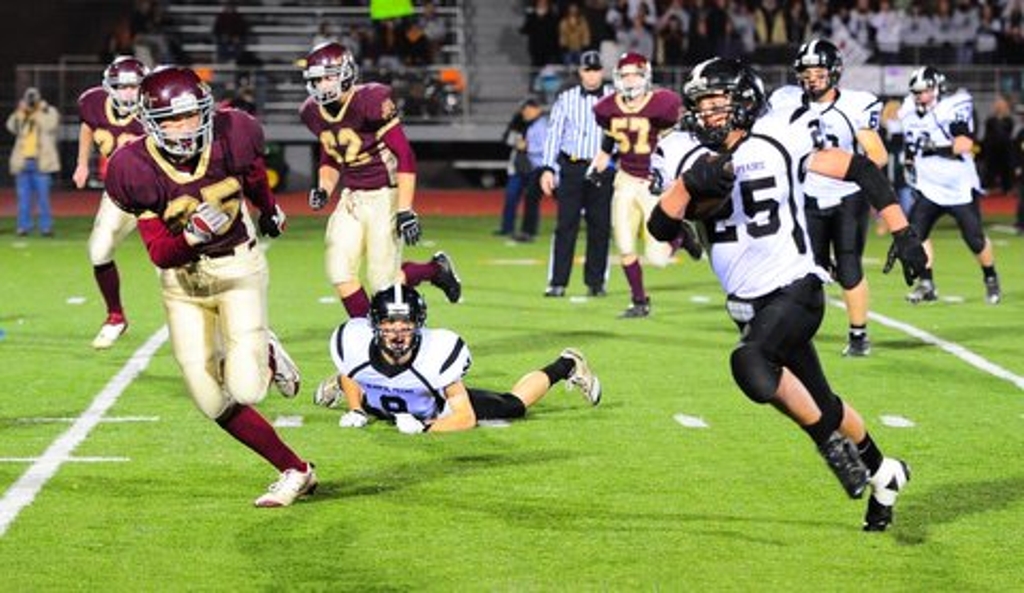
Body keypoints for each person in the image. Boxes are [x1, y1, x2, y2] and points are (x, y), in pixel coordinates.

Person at [647, 57, 925, 531]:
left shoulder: (783, 134)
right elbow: (659, 226)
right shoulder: (681, 150)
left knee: (750, 363)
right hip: (748, 302)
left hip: (797, 286)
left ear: (745, 101)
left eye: (719, 103)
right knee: (824, 403)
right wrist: (688, 185)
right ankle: (884, 473)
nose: (709, 114)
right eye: (702, 106)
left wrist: (902, 230)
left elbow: (858, 166)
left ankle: (828, 446)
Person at [104, 65, 316, 507]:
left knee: (246, 388)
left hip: (238, 268)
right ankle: (295, 470)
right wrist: (192, 236)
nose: (185, 128)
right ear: (149, 122)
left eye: (191, 116)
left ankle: (267, 354)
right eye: (172, 120)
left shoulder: (234, 130)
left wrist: (268, 208)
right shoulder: (131, 166)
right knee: (208, 398)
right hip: (181, 282)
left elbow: (254, 173)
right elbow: (160, 252)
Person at [298, 41, 462, 318]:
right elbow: (331, 151)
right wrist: (325, 187)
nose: (322, 85)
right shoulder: (311, 111)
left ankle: (434, 270)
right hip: (351, 196)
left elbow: (405, 155)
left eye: (328, 77)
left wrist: (405, 209)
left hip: (385, 195)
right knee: (339, 269)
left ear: (347, 72)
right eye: (317, 79)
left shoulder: (371, 101)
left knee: (382, 282)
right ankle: (365, 331)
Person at [312, 284, 601, 432]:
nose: (398, 335)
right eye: (389, 326)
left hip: (432, 406)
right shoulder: (354, 344)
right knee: (366, 393)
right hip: (383, 401)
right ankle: (352, 395)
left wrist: (427, 428)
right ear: (375, 326)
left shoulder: (436, 353)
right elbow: (351, 369)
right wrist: (356, 409)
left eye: (406, 326)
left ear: (419, 325)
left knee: (513, 406)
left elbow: (465, 416)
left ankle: (567, 364)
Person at [769, 39, 886, 357]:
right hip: (805, 196)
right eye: (806, 72)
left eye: (819, 71)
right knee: (809, 270)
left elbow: (877, 155)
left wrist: (849, 171)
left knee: (849, 265)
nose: (812, 78)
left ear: (834, 72)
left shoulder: (855, 105)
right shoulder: (785, 101)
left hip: (847, 196)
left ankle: (858, 335)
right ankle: (799, 331)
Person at [898, 66, 1001, 305]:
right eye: (917, 92)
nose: (921, 96)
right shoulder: (909, 111)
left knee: (974, 239)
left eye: (926, 91)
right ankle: (926, 283)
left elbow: (964, 144)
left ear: (938, 88)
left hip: (958, 187)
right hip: (929, 187)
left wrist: (934, 148)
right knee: (915, 235)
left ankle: (991, 277)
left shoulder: (952, 107)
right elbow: (911, 144)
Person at [591, 52, 682, 318]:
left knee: (658, 258)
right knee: (624, 245)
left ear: (646, 76)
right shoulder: (607, 107)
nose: (630, 80)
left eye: (635, 74)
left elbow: (673, 144)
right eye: (626, 75)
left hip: (653, 183)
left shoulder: (662, 103)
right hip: (625, 181)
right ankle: (639, 301)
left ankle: (681, 236)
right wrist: (598, 167)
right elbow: (608, 142)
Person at [72, 56, 149, 350]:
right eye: (122, 87)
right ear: (110, 87)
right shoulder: (93, 103)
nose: (129, 93)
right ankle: (115, 316)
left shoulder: (154, 112)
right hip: (119, 193)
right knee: (99, 250)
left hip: (157, 196)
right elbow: (87, 127)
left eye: (134, 87)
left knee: (172, 264)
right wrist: (82, 163)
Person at [538, 50, 614, 298]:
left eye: (595, 69)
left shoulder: (615, 98)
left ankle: (596, 282)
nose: (592, 74)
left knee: (600, 226)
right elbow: (554, 135)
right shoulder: (566, 98)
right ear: (580, 71)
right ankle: (557, 282)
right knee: (566, 225)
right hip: (572, 166)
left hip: (602, 169)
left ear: (602, 71)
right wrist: (548, 168)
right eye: (587, 70)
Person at [6, 87, 60, 237]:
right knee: (23, 199)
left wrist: (40, 110)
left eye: (33, 98)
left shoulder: (48, 111)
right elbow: (11, 127)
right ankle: (23, 227)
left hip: (41, 163)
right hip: (23, 162)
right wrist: (20, 111)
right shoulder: (22, 114)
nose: (31, 102)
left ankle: (46, 227)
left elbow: (51, 125)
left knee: (43, 199)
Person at [498, 97, 548, 241]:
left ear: (536, 109)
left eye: (526, 109)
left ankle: (528, 231)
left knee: (533, 199)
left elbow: (546, 147)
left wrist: (527, 146)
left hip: (539, 167)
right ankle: (525, 231)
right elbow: (506, 137)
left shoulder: (541, 124)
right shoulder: (525, 123)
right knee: (527, 199)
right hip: (528, 167)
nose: (524, 112)